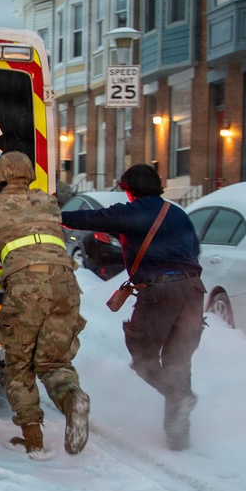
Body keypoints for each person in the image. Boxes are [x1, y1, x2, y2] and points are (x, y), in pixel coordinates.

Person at [0, 151, 90, 457]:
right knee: (55, 362)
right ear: (28, 174)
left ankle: (34, 439)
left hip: (28, 286)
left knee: (19, 365)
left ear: (0, 175)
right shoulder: (47, 201)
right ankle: (73, 399)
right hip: (66, 284)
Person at [60, 163, 205, 451]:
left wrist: (55, 215)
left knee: (144, 357)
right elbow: (194, 250)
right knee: (179, 361)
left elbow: (93, 218)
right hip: (194, 291)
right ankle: (178, 435)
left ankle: (177, 397)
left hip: (160, 291)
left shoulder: (133, 211)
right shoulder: (177, 213)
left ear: (130, 189)